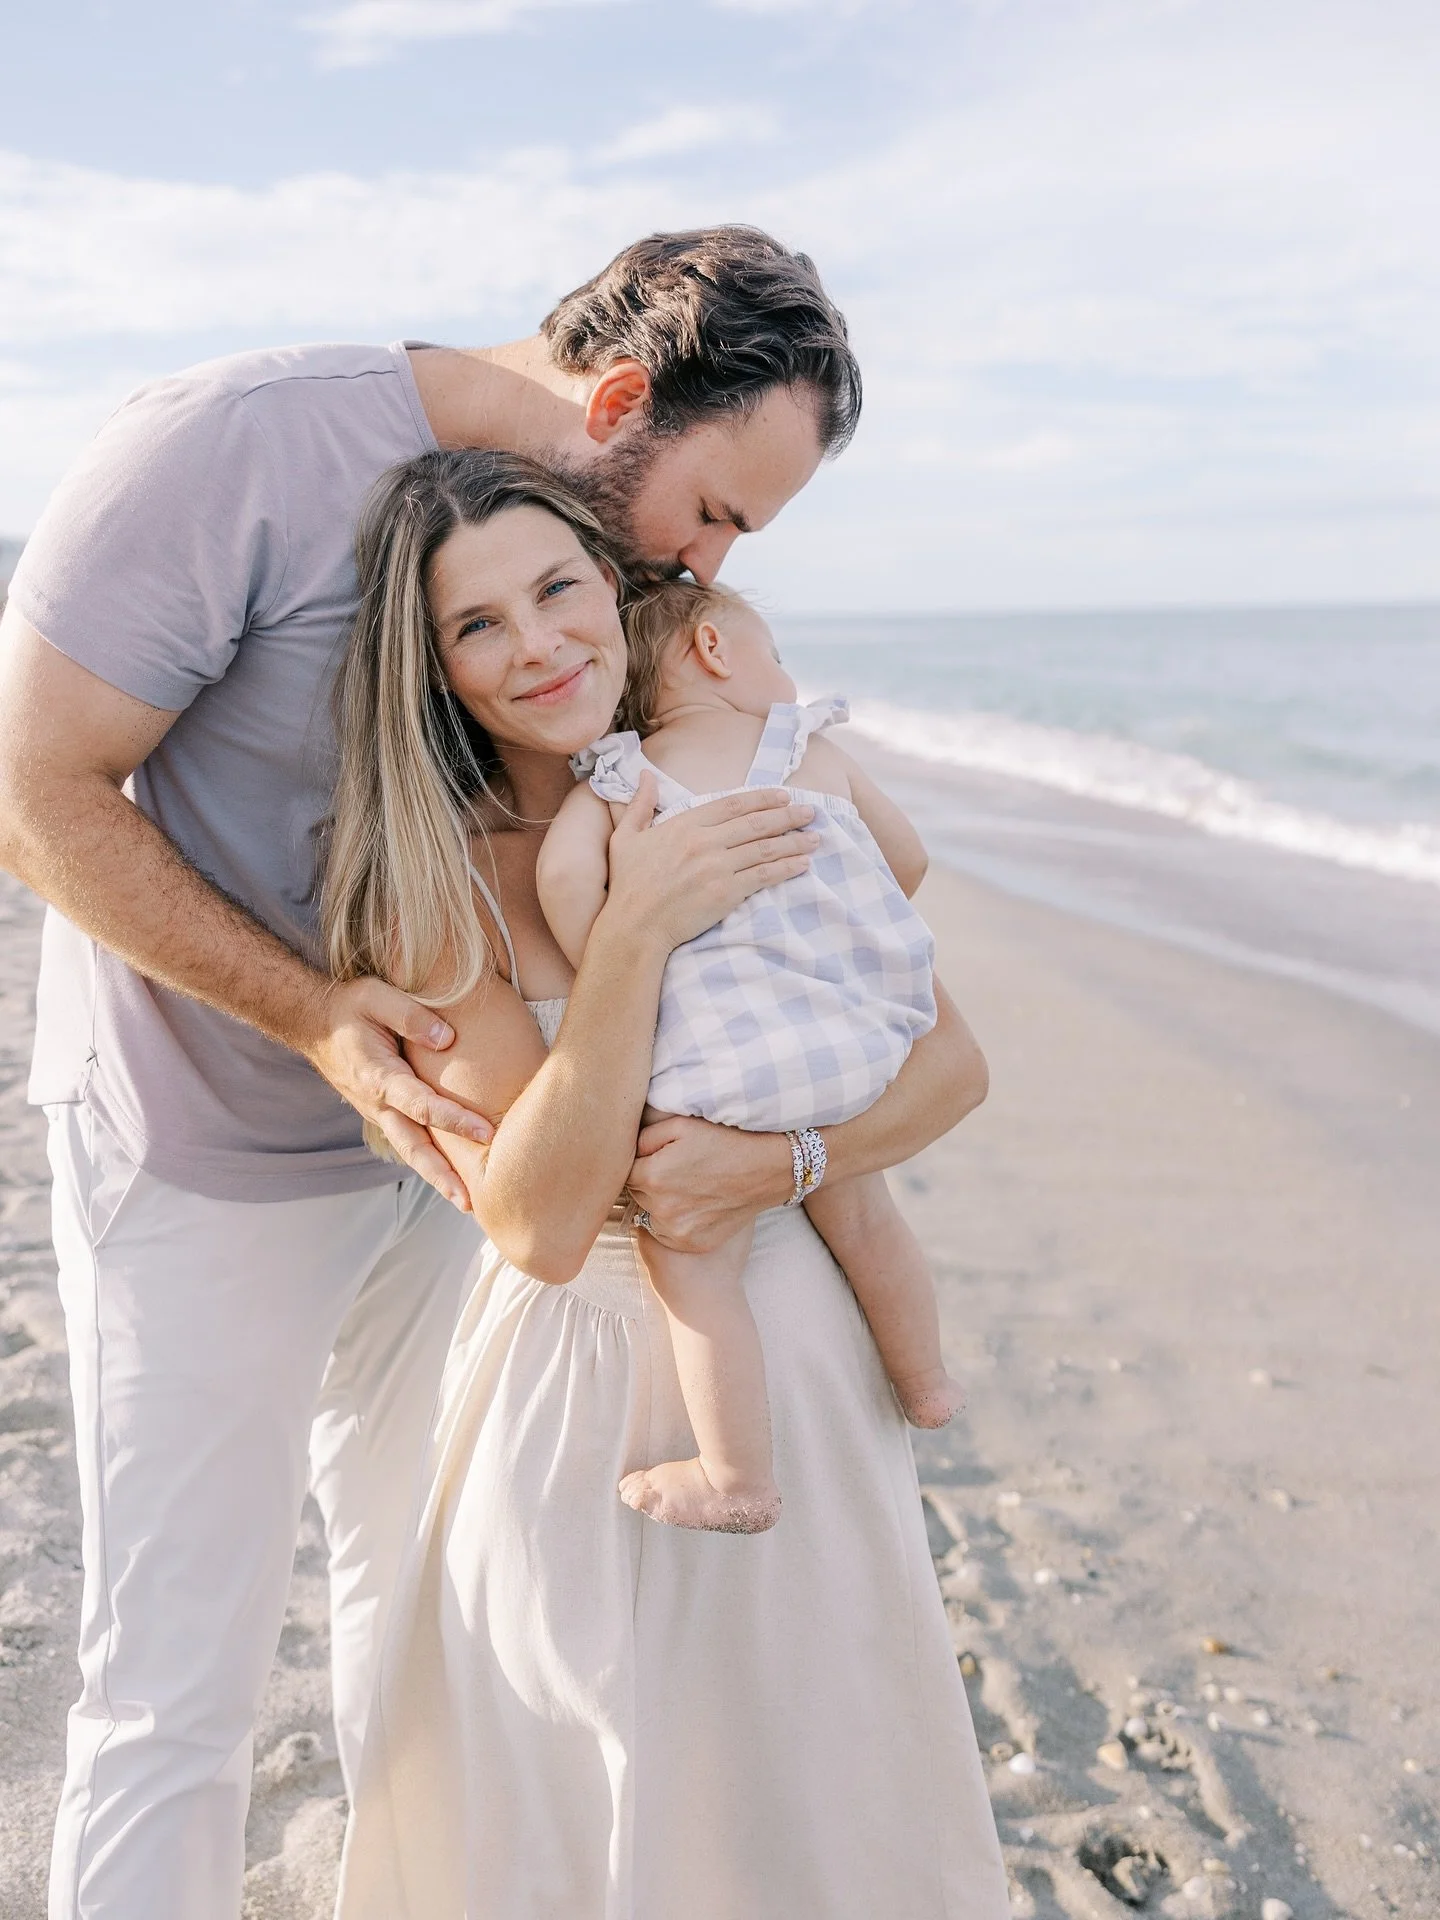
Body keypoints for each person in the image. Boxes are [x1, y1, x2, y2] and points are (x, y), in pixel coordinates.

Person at [0, 226, 862, 1919]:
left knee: (425, 1623)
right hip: (203, 1145)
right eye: (715, 511)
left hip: (463, 1163)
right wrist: (322, 1021)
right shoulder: (233, 450)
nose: (706, 559)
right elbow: (32, 792)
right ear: (619, 404)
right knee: (180, 1673)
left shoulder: (580, 593)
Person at [324, 448, 1008, 1918]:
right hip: (581, 1390)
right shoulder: (437, 877)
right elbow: (543, 1223)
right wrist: (634, 937)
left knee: (811, 1798)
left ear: (621, 592)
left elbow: (949, 1065)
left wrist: (789, 1159)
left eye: (558, 589)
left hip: (797, 1361)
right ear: (434, 670)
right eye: (477, 626)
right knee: (591, 1812)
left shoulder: (754, 783)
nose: (540, 645)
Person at [538, 578, 965, 1534]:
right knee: (864, 1211)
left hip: (727, 1071)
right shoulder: (807, 748)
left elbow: (564, 878)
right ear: (716, 651)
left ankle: (736, 1476)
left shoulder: (620, 778)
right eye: (774, 651)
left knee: (692, 1262)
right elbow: (909, 859)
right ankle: (929, 1382)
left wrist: (609, 953)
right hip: (856, 1045)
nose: (786, 675)